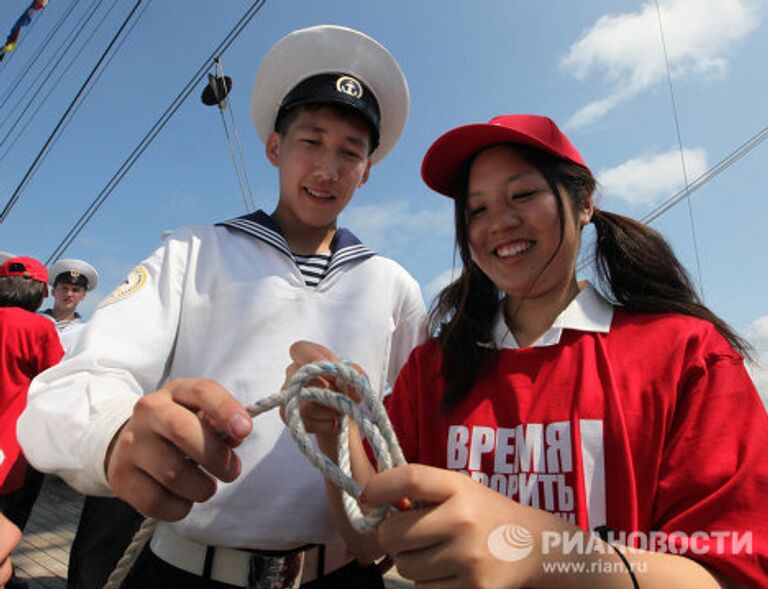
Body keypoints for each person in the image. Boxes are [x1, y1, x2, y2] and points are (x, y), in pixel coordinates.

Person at [18, 24, 427, 588]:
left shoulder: (393, 285)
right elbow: (81, 378)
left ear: (367, 170)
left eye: (349, 152)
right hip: (184, 571)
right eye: (311, 141)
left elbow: (408, 430)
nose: (328, 168)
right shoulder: (193, 252)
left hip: (341, 573)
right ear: (275, 147)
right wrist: (114, 437)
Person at [287, 114, 768, 588]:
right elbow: (370, 541)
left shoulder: (686, 355)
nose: (499, 222)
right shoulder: (432, 369)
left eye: (522, 195)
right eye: (476, 210)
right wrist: (336, 431)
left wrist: (549, 553)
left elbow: (733, 574)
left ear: (583, 203)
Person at [0, 256, 64, 589]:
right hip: (14, 451)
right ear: (41, 292)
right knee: (8, 523)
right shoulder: (39, 328)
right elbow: (56, 380)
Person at [40, 258, 98, 354]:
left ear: (83, 296)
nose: (69, 294)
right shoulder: (34, 320)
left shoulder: (86, 332)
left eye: (75, 290)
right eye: (64, 288)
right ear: (53, 291)